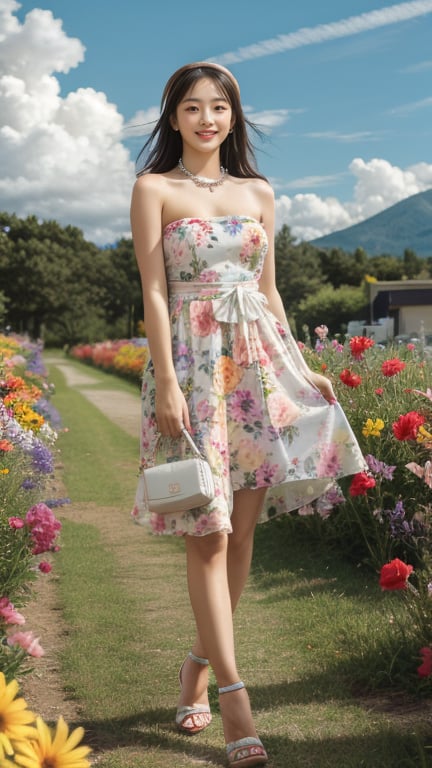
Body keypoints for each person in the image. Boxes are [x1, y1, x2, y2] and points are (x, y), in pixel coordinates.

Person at [130, 61, 365, 768]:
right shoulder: (153, 189)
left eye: (220, 108)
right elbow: (155, 292)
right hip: (194, 368)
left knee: (241, 537)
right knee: (207, 527)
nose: (207, 119)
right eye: (193, 108)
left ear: (234, 117)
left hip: (258, 363)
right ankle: (235, 699)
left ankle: (197, 667)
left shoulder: (261, 192)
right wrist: (166, 380)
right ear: (172, 117)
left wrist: (299, 362)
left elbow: (269, 290)